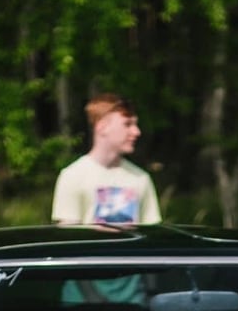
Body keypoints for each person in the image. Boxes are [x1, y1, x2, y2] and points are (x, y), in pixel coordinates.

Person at [52, 92, 162, 228]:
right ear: (102, 127)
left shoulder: (140, 178)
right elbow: (69, 236)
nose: (136, 132)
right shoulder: (72, 176)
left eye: (135, 125)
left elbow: (152, 234)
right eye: (127, 124)